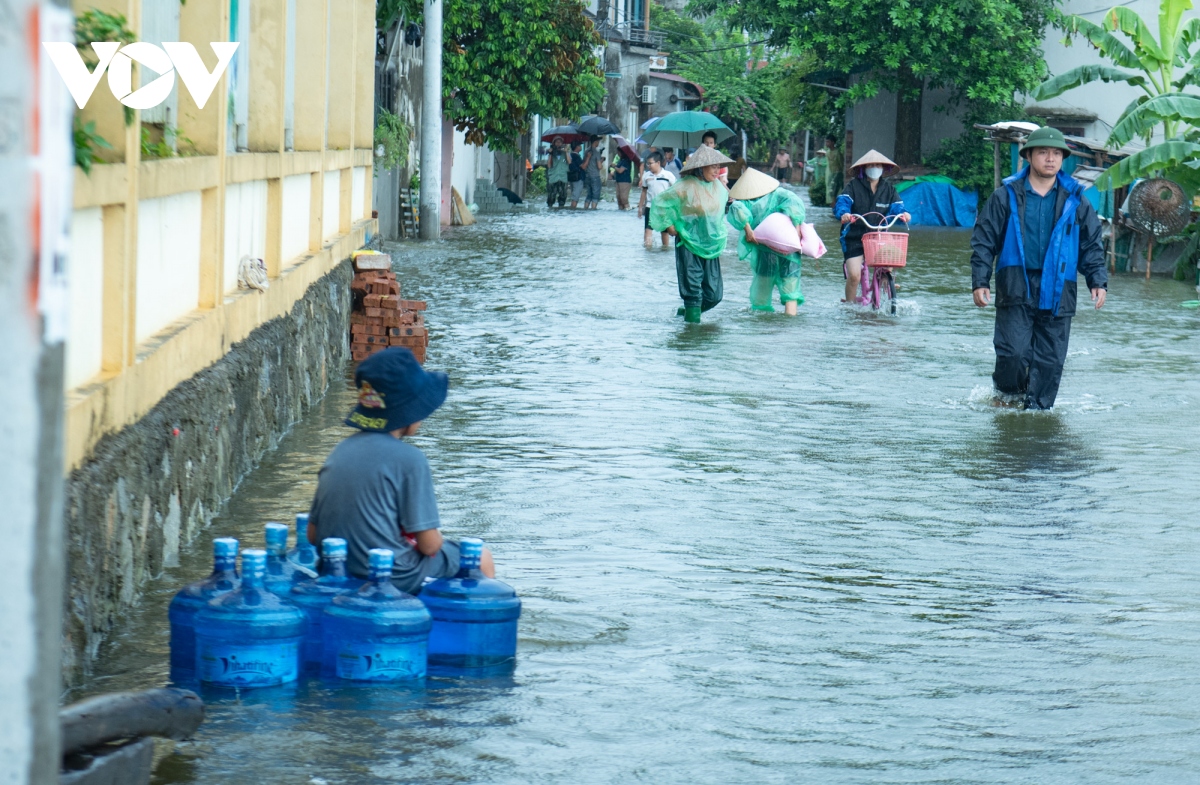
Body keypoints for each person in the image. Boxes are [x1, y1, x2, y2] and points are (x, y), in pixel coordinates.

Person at [307, 348, 496, 595]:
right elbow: (429, 546)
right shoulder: (411, 460)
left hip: (337, 568)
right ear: (410, 410)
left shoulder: (339, 451)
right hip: (395, 575)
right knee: (481, 557)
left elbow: (313, 535)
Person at [970, 126, 1107, 410]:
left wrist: (1098, 280)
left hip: (1060, 287)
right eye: (1043, 152)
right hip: (1015, 283)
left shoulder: (1076, 200)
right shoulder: (1005, 196)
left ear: (1062, 159)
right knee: (1014, 355)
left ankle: (1037, 419)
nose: (1050, 158)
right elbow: (984, 240)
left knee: (1051, 361)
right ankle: (1007, 399)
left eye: (1056, 153)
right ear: (1029, 156)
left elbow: (1090, 244)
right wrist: (980, 281)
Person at [649, 145, 733, 323]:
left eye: (718, 167)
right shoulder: (685, 185)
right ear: (701, 168)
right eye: (713, 166)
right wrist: (669, 227)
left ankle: (686, 313)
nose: (717, 170)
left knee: (714, 294)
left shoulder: (718, 187)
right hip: (688, 242)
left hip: (711, 244)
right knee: (693, 292)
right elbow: (661, 203)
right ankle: (691, 337)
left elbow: (722, 209)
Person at [834, 149, 911, 304]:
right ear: (864, 168)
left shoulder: (888, 189)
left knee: (890, 259)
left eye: (878, 165)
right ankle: (849, 306)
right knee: (854, 276)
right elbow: (842, 203)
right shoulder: (853, 186)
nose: (875, 168)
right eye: (871, 165)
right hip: (854, 237)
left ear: (883, 168)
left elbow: (897, 207)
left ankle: (886, 281)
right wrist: (844, 214)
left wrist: (904, 214)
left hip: (878, 237)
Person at [727, 168, 807, 316]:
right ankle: (790, 328)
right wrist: (796, 227)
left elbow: (736, 209)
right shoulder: (780, 195)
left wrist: (747, 228)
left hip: (764, 251)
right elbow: (796, 204)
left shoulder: (746, 202)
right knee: (791, 292)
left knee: (762, 293)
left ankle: (762, 330)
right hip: (789, 251)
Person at [638, 151, 676, 249]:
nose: (648, 166)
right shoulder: (646, 176)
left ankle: (665, 249)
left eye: (650, 163)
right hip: (650, 207)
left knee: (664, 231)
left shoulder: (668, 175)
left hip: (664, 207)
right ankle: (647, 250)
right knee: (648, 230)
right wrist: (640, 207)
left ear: (658, 163)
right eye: (647, 163)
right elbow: (644, 192)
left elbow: (675, 191)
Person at [546, 137, 569, 209]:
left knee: (563, 195)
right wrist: (550, 154)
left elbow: (569, 162)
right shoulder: (552, 154)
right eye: (557, 142)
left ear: (562, 144)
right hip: (553, 177)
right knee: (551, 196)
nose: (558, 144)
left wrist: (566, 152)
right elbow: (549, 165)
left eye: (560, 142)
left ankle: (561, 208)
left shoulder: (564, 154)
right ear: (554, 144)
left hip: (562, 177)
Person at [582, 136, 604, 210]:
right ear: (595, 142)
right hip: (595, 176)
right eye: (598, 141)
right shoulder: (596, 152)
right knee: (595, 194)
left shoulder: (586, 151)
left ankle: (586, 208)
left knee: (589, 194)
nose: (598, 143)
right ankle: (593, 209)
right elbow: (599, 166)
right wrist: (601, 161)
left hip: (587, 176)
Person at [568, 142, 585, 208]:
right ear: (577, 147)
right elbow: (582, 166)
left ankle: (572, 208)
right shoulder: (576, 156)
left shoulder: (570, 155)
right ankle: (573, 209)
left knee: (574, 195)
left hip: (573, 177)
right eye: (579, 145)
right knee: (575, 197)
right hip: (578, 177)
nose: (581, 147)